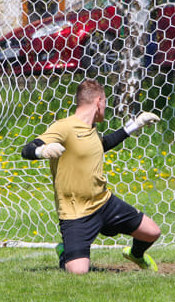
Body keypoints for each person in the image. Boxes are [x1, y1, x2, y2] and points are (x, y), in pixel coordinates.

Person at [20, 78, 162, 274]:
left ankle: (136, 255)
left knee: (152, 232)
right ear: (98, 102)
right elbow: (27, 149)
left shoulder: (91, 129)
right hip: (76, 212)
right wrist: (41, 151)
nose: (106, 107)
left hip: (104, 203)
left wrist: (135, 125)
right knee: (78, 272)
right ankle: (65, 253)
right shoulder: (65, 126)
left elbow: (101, 145)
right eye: (105, 102)